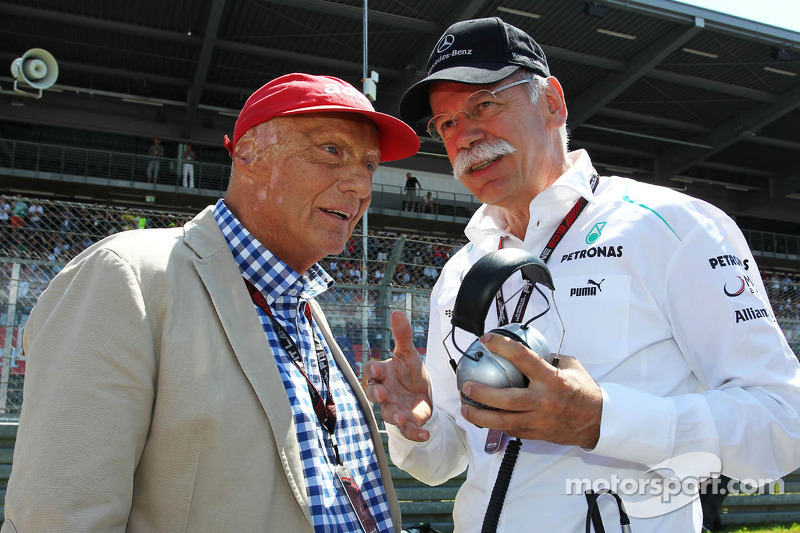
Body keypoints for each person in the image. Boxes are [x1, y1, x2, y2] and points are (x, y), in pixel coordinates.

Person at [365, 17, 800, 533]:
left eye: (484, 105)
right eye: (447, 123)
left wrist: (603, 419)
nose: (466, 136)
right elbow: (449, 461)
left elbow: (783, 421)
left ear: (552, 102)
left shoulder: (673, 225)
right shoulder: (461, 271)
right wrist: (418, 423)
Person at [3, 73, 420, 532]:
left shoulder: (304, 307)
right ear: (248, 154)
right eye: (331, 151)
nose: (360, 186)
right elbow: (60, 517)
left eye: (369, 165)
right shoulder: (128, 276)